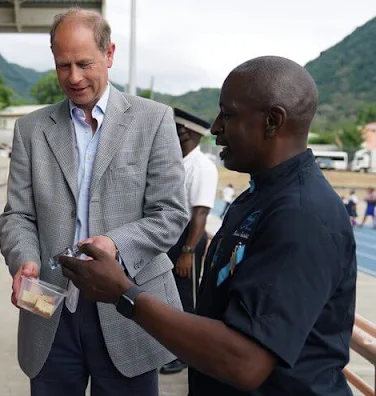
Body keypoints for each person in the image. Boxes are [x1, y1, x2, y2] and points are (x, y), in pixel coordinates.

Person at [60, 56, 356, 395]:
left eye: (227, 114)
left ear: (272, 121)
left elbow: (245, 362)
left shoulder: (302, 218)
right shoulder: (259, 197)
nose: (215, 127)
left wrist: (124, 294)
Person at [0, 8, 188, 396]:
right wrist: (25, 259)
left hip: (127, 306)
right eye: (62, 65)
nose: (74, 77)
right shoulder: (31, 129)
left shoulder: (153, 120)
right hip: (48, 306)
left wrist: (115, 244)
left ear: (110, 54)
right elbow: (17, 214)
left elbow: (171, 212)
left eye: (84, 63)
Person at [159, 108, 218, 375]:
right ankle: (170, 349)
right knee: (169, 298)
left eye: (176, 129)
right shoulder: (177, 161)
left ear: (187, 133)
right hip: (169, 240)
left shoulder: (202, 166)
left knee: (185, 299)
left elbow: (201, 213)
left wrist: (187, 252)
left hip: (186, 241)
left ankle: (185, 356)